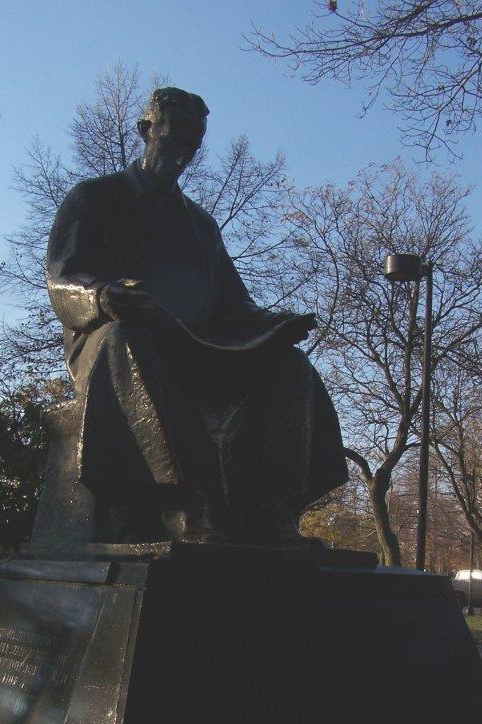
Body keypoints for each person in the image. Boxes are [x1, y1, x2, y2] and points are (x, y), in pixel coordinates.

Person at [46, 87, 348, 545]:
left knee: (288, 364)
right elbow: (62, 276)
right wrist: (103, 297)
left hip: (198, 348)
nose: (185, 148)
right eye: (177, 134)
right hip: (110, 344)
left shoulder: (200, 225)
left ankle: (273, 510)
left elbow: (233, 303)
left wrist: (273, 325)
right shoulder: (94, 198)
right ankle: (181, 502)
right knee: (129, 339)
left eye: (195, 139)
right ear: (147, 130)